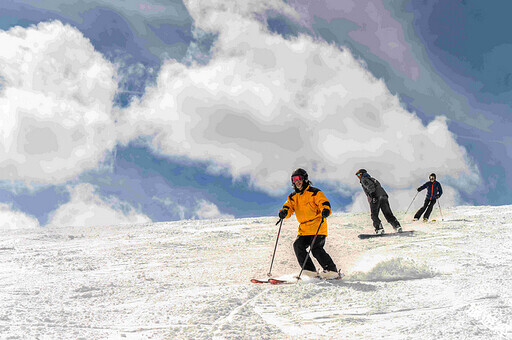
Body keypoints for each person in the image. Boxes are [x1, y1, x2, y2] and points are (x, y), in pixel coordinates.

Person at [278, 168, 340, 279]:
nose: (297, 181)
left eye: (299, 178)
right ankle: (310, 271)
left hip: (317, 225)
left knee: (316, 248)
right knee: (298, 245)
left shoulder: (315, 192)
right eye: (294, 179)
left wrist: (325, 210)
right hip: (304, 229)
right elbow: (288, 207)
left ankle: (331, 270)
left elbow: (323, 203)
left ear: (305, 179)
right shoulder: (293, 197)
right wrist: (284, 212)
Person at [355, 169, 402, 234]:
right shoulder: (372, 179)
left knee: (374, 215)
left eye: (359, 174)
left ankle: (379, 228)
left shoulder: (364, 179)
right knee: (387, 213)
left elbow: (370, 186)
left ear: (362, 173)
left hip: (375, 196)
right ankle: (397, 226)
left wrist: (373, 195)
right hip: (383, 196)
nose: (358, 177)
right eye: (357, 176)